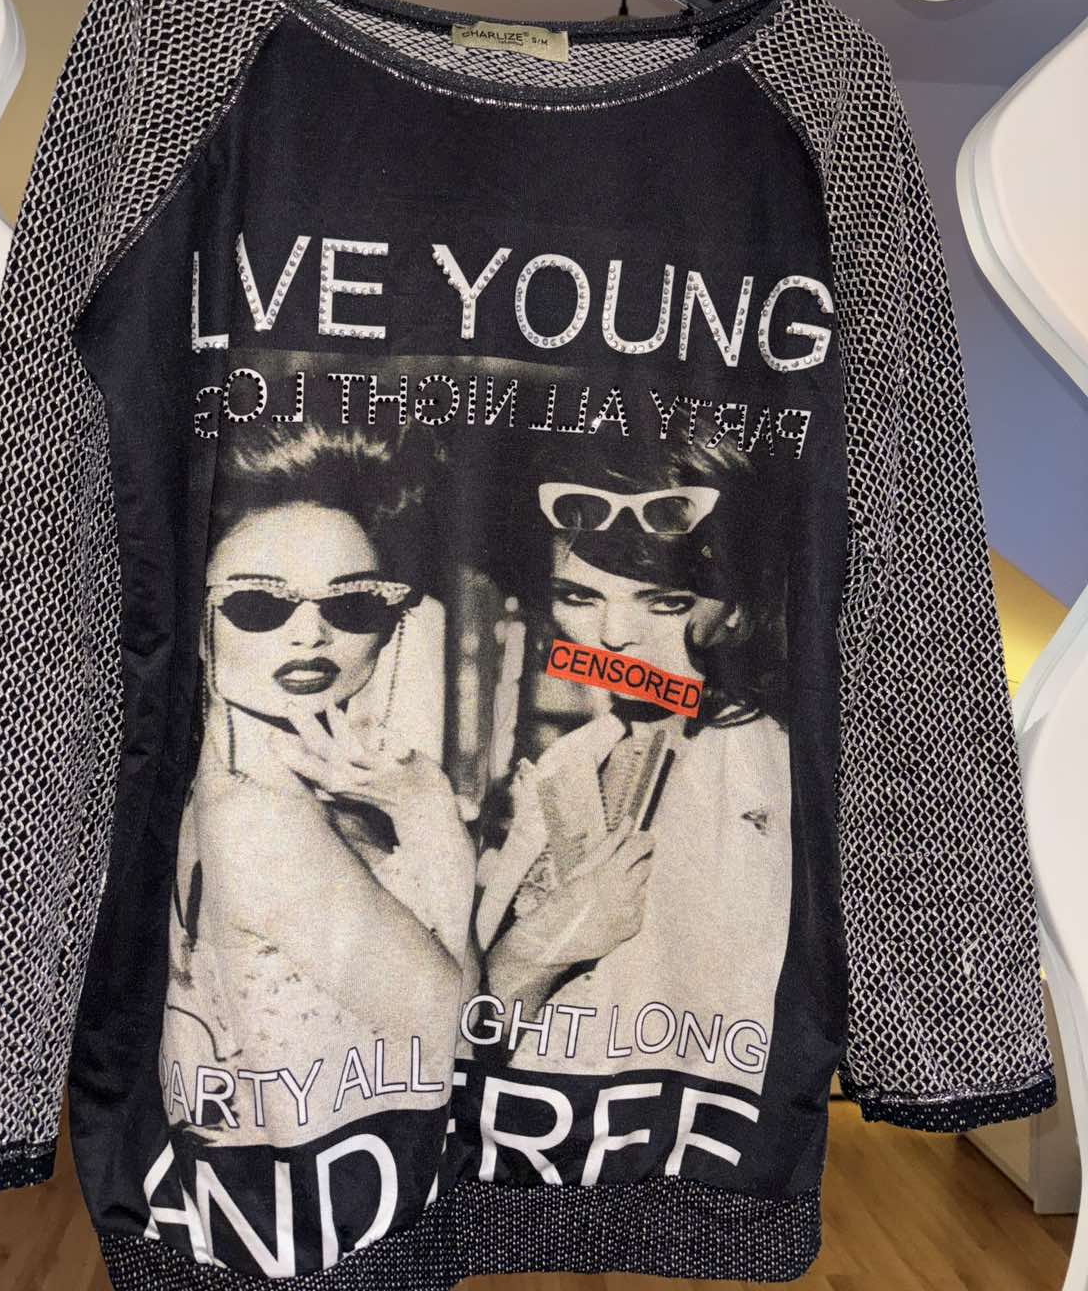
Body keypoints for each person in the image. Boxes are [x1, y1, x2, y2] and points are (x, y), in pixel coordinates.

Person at [159, 417, 477, 1148]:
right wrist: (430, 815)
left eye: (351, 604)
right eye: (259, 605)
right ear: (200, 619)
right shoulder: (262, 820)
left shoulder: (250, 791)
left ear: (391, 625)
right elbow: (466, 1047)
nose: (310, 635)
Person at [474, 413, 793, 1088]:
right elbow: (481, 1034)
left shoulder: (779, 773)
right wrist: (544, 942)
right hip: (540, 1128)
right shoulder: (571, 760)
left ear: (738, 608)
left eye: (665, 602)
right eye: (578, 597)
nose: (614, 635)